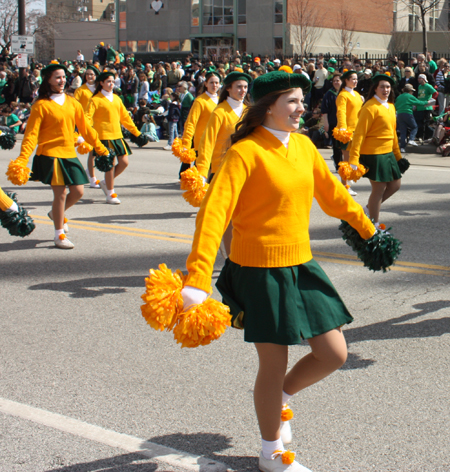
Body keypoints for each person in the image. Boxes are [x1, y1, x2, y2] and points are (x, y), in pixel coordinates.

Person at [180, 71, 376, 472]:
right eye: (292, 101)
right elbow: (213, 217)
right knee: (273, 362)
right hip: (258, 270)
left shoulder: (303, 146)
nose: (302, 108)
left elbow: (334, 196)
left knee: (334, 353)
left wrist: (368, 229)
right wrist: (198, 278)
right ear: (267, 106)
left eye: (302, 100)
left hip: (300, 264)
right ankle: (271, 452)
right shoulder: (244, 153)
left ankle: (282, 396)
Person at [9, 62, 109, 249]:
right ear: (48, 80)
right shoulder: (41, 105)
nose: (62, 80)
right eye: (57, 77)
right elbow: (31, 134)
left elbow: (86, 129)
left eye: (64, 77)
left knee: (78, 191)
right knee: (61, 193)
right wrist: (22, 159)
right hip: (49, 154)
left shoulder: (73, 102)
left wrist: (101, 148)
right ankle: (59, 234)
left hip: (68, 153)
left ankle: (55, 214)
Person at [349, 74, 402, 228]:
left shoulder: (390, 106)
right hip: (373, 153)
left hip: (388, 153)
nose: (385, 90)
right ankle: (374, 225)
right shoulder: (369, 107)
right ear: (375, 89)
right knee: (378, 189)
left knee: (395, 185)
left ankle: (366, 210)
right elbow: (359, 134)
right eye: (382, 87)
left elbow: (393, 133)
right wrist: (353, 158)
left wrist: (398, 156)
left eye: (388, 87)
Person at [86, 70, 143, 205]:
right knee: (109, 166)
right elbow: (87, 118)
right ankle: (110, 193)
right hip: (103, 137)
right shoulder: (95, 100)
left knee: (124, 163)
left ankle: (106, 182)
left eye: (113, 81)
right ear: (101, 83)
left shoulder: (117, 99)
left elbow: (125, 118)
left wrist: (137, 133)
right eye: (108, 82)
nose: (111, 84)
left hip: (117, 135)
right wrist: (85, 134)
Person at [177, 71, 221, 176]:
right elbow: (191, 122)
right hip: (202, 143)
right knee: (202, 174)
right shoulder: (200, 101)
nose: (214, 85)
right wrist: (186, 143)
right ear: (206, 84)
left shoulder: (221, 101)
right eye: (211, 82)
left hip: (218, 142)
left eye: (216, 83)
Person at [334, 69, 364, 196]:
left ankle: (348, 181)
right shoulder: (343, 95)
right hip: (347, 131)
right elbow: (341, 111)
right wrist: (342, 127)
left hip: (358, 130)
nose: (355, 81)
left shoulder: (357, 95)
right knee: (346, 159)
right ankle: (345, 186)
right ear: (346, 80)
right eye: (353, 79)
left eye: (356, 79)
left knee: (354, 158)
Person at [74, 65, 101, 188]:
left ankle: (89, 172)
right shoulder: (80, 90)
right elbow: (74, 106)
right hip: (86, 123)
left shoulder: (100, 89)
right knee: (92, 151)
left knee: (97, 151)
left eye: (92, 74)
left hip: (99, 123)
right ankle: (92, 178)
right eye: (88, 74)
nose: (90, 76)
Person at [395, 83, 431, 152]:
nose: (412, 92)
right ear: (410, 91)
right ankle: (411, 139)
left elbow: (396, 105)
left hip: (399, 114)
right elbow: (418, 102)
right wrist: (427, 102)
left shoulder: (399, 97)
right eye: (412, 91)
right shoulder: (409, 96)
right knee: (414, 127)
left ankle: (402, 148)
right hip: (408, 113)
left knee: (403, 131)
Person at [321, 72, 343, 170]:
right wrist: (326, 123)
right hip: (334, 122)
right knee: (336, 145)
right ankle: (338, 164)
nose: (336, 82)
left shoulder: (346, 93)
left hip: (346, 123)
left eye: (338, 80)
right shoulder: (329, 94)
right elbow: (324, 110)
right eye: (334, 81)